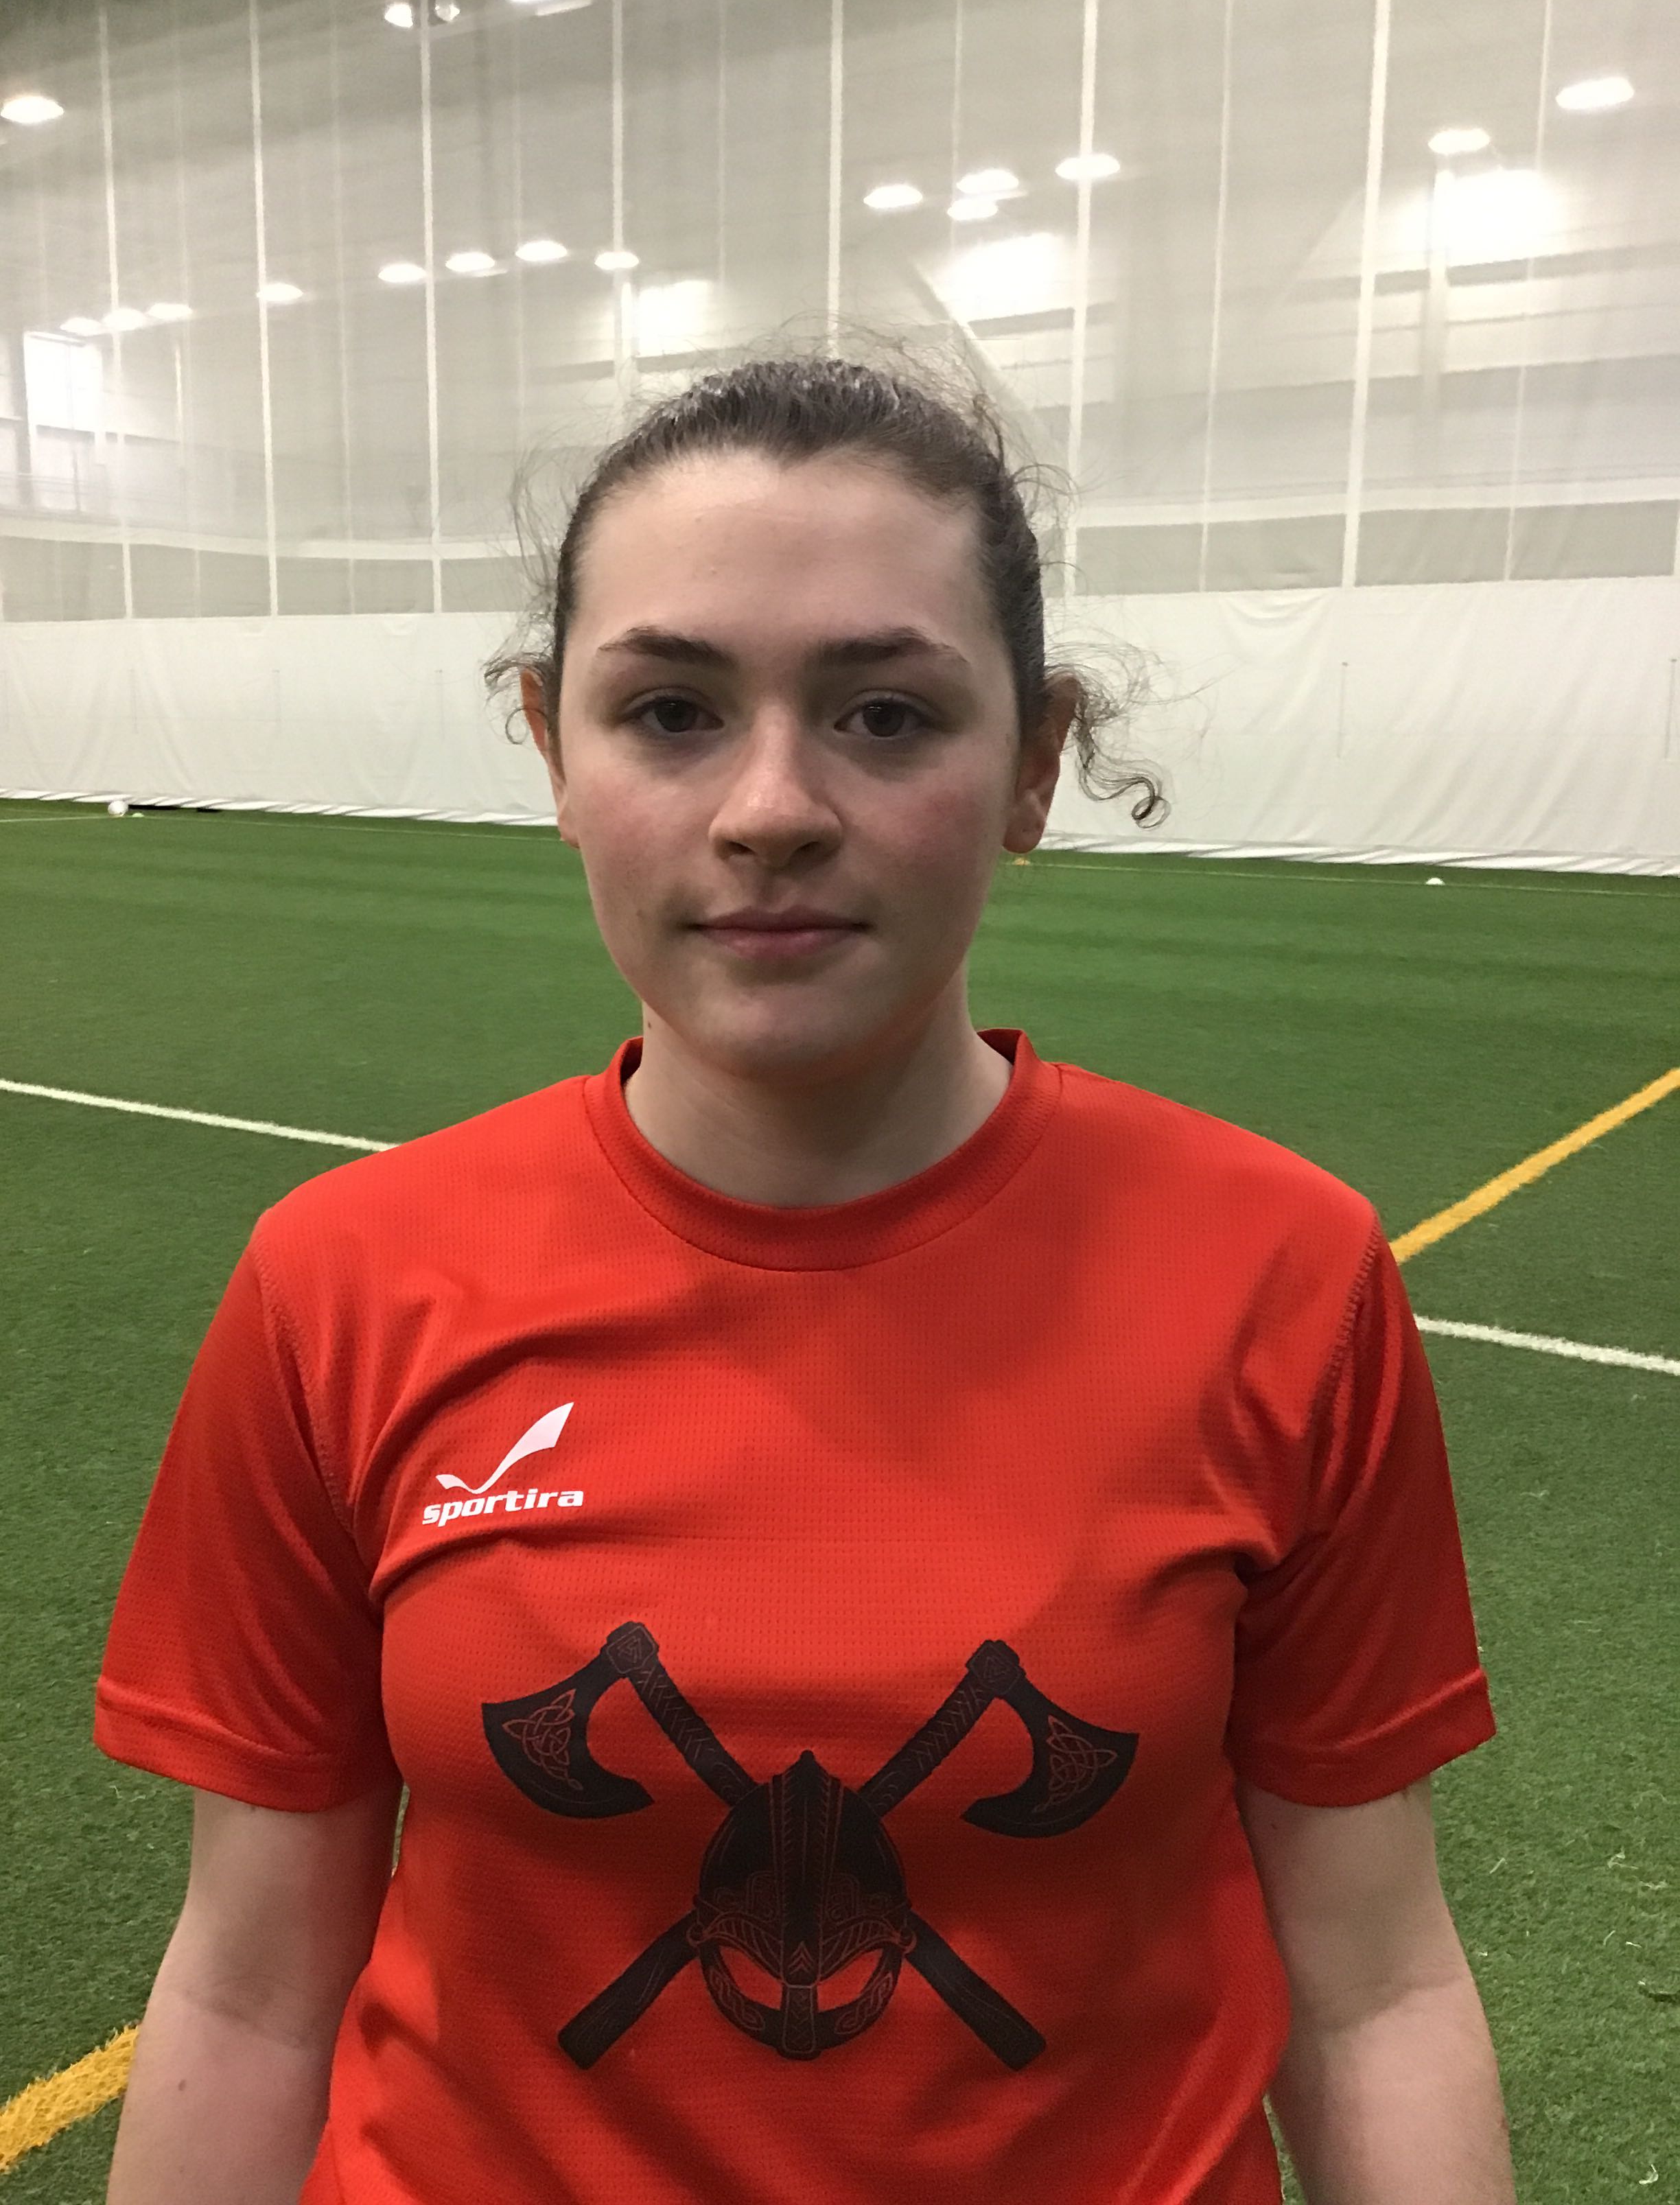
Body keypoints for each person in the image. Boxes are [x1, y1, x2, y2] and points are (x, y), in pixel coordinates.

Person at [96, 353, 1515, 2205]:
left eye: (885, 715)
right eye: (672, 712)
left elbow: (1376, 1991)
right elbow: (250, 1994)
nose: (772, 807)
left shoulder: (1282, 1275)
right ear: (553, 754)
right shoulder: (342, 1285)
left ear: (1033, 764)